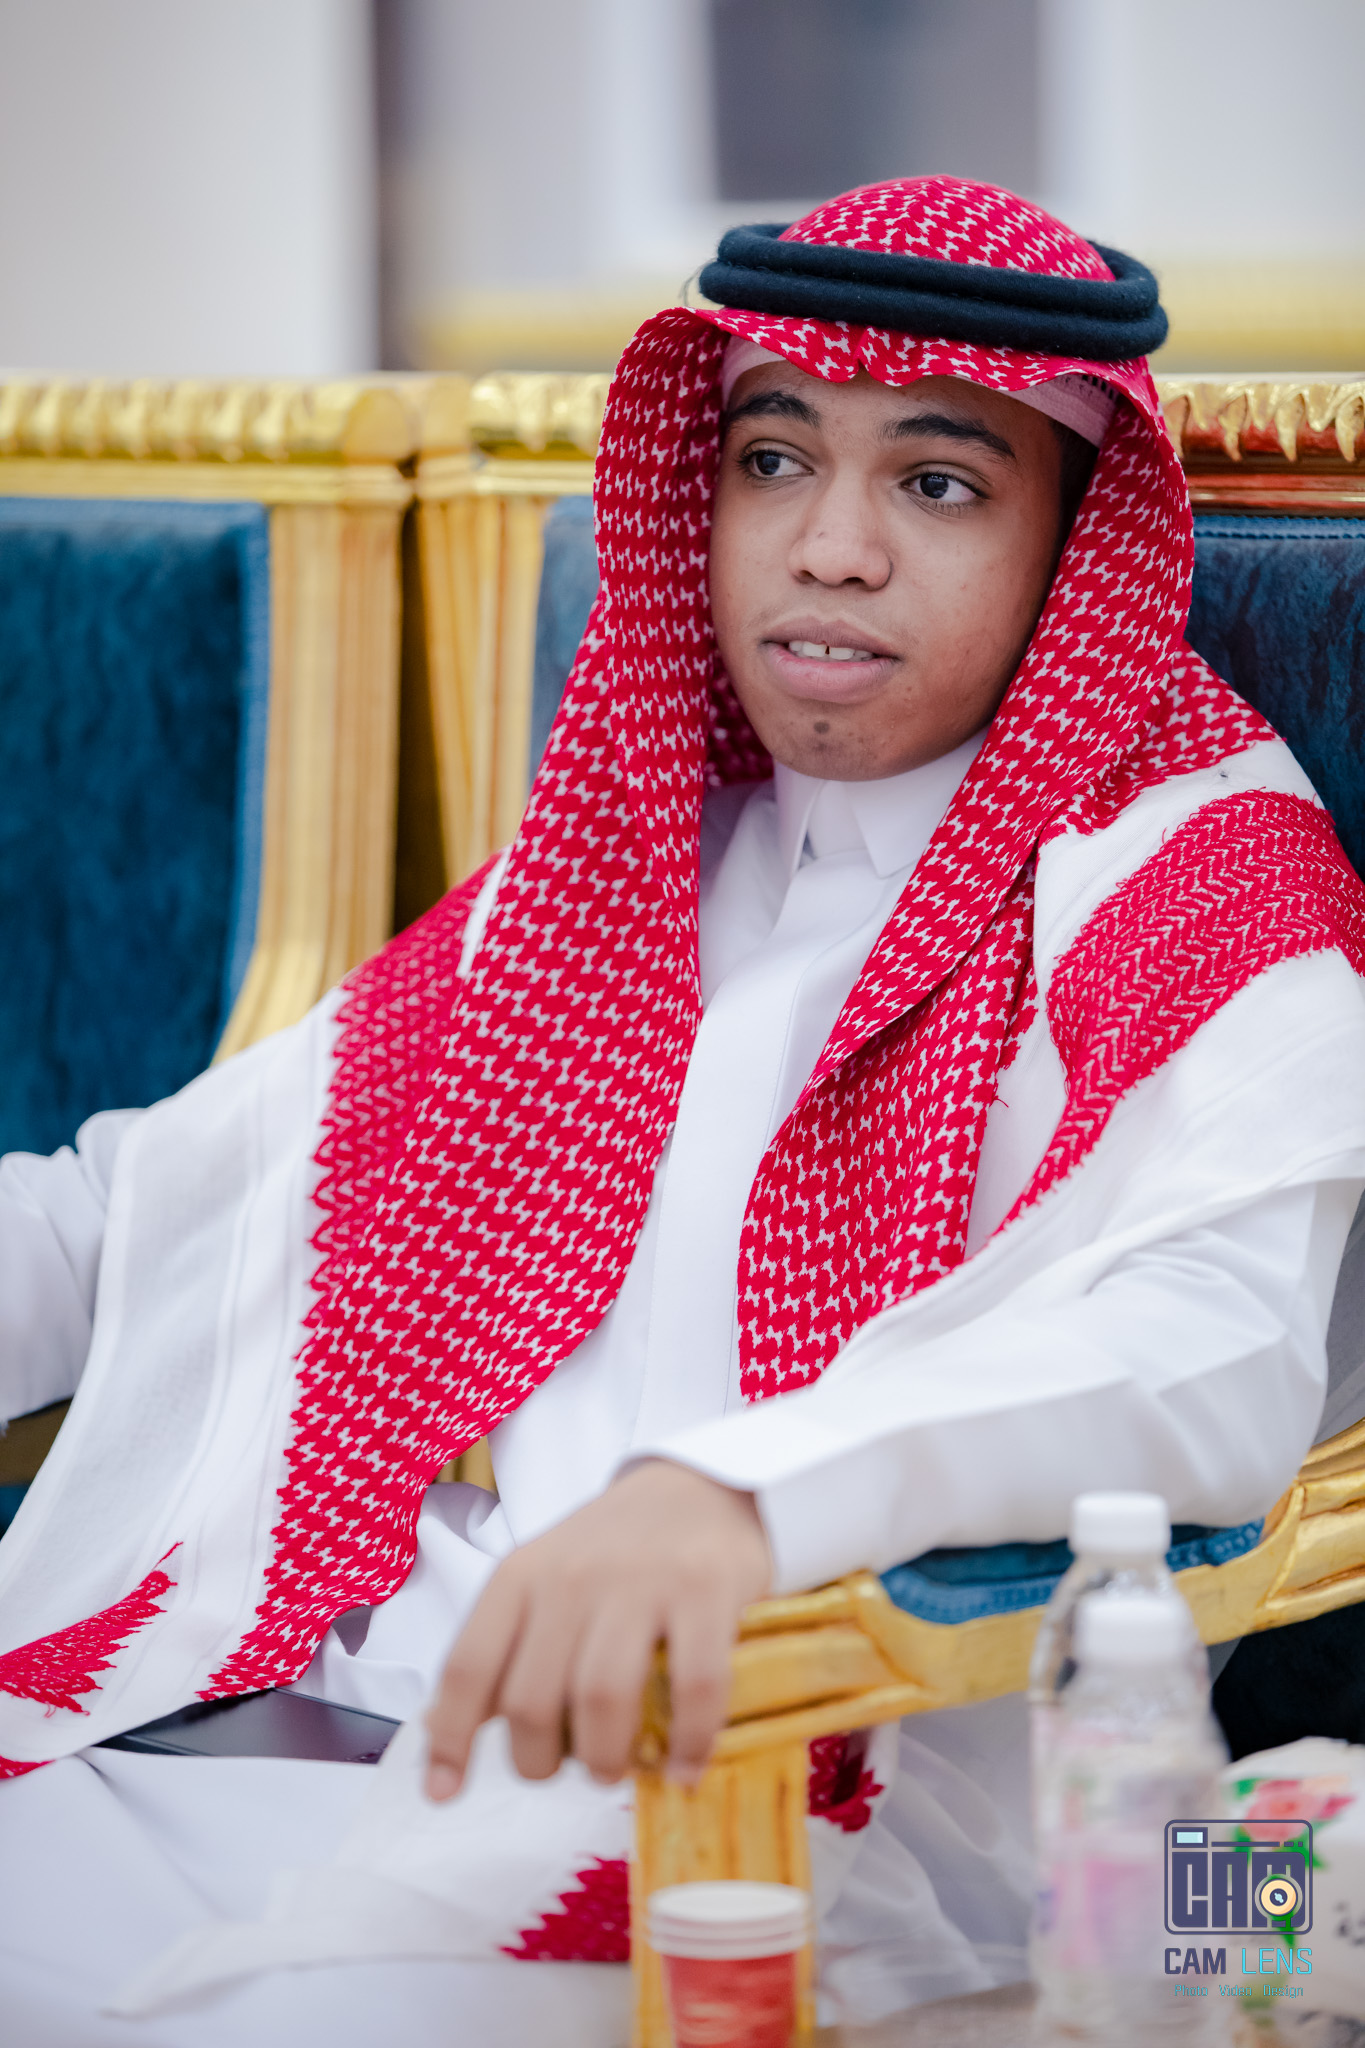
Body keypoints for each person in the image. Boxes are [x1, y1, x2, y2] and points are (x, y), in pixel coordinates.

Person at [3, 174, 1365, 2046]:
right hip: (279, 1726)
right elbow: (153, 1209)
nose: (829, 548)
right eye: (772, 459)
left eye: (937, 482)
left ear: (1070, 541)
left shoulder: (1191, 874)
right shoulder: (636, 848)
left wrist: (736, 1498)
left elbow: (1197, 1339)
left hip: (784, 1808)